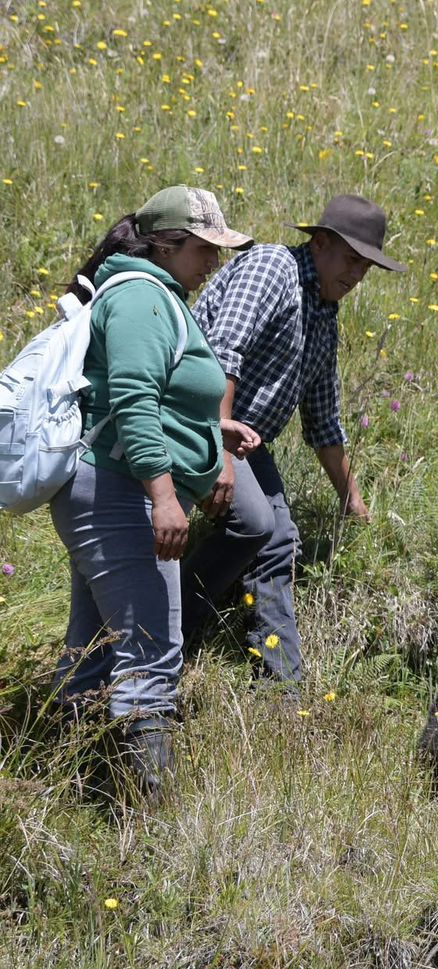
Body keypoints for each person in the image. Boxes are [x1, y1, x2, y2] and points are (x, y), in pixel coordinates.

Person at [51, 185, 257, 803]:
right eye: (204, 248)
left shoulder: (156, 293)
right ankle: (148, 817)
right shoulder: (142, 297)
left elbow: (149, 393)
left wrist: (208, 427)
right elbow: (133, 401)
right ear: (167, 244)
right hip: (122, 494)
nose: (214, 262)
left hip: (110, 489)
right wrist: (165, 496)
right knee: (150, 655)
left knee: (95, 652)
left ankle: (72, 794)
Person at [181, 194, 404, 684]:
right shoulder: (272, 268)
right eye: (351, 260)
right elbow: (222, 353)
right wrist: (218, 447)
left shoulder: (324, 312)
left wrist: (354, 503)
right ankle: (172, 630)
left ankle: (282, 684)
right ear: (320, 243)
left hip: (247, 440)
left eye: (366, 267)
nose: (357, 276)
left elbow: (323, 421)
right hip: (194, 419)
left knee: (280, 540)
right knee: (256, 524)